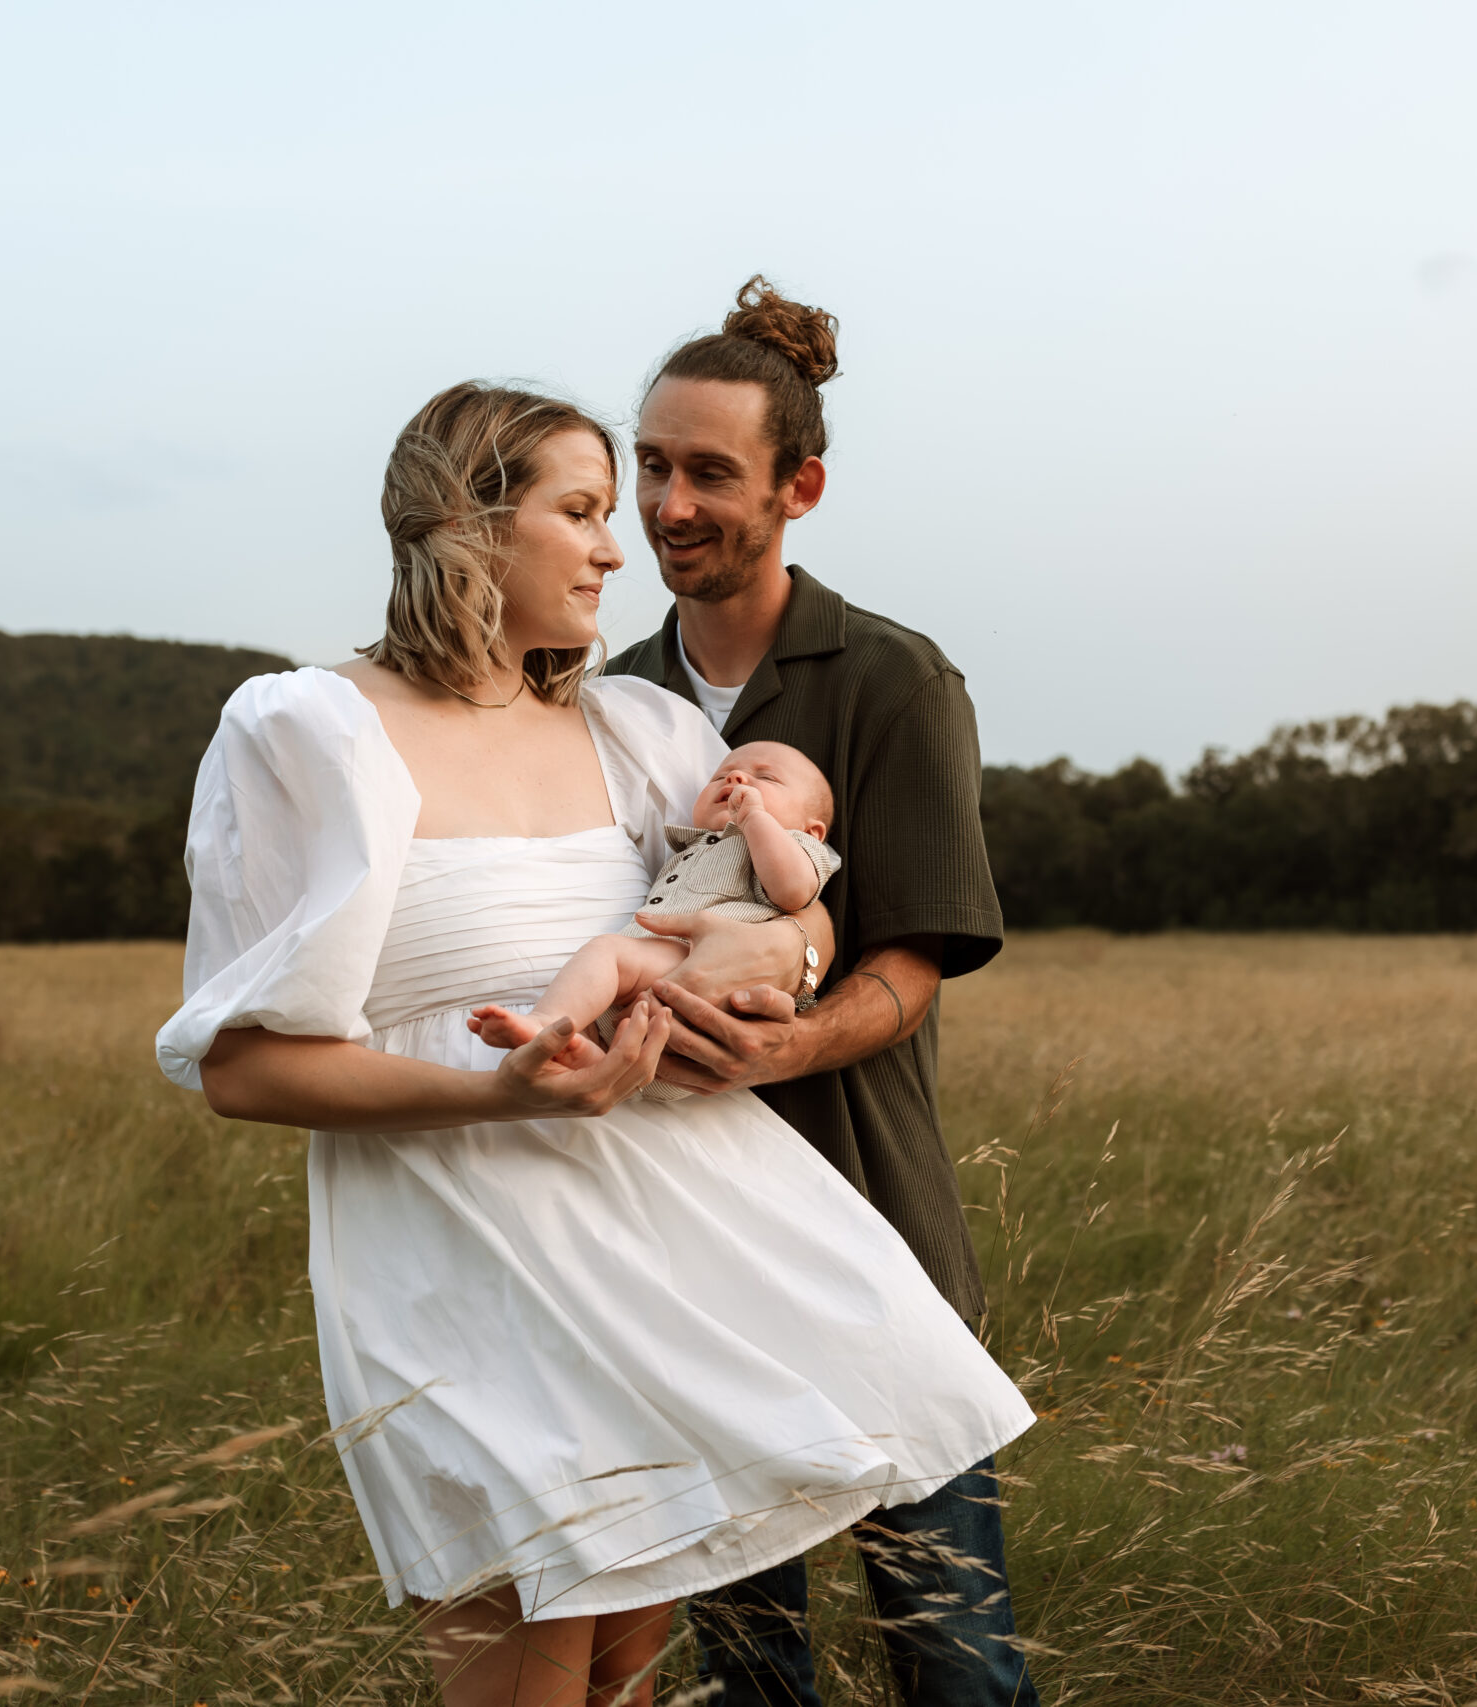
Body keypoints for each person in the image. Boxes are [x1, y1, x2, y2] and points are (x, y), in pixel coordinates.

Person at [154, 381, 1032, 1707]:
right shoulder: (309, 733)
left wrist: (775, 964)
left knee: (628, 1679)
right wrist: (492, 1086)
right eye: (582, 510)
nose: (620, 547)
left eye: (612, 513)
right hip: (470, 1270)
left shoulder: (635, 731)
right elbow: (242, 1065)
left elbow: (773, 904)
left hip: (669, 1256)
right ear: (469, 525)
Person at [605, 278, 1040, 1707]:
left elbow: (910, 968)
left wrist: (781, 1042)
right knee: (746, 1671)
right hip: (687, 1252)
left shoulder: (896, 681)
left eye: (709, 473)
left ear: (801, 486)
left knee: (954, 1657)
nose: (668, 504)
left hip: (873, 1237)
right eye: (651, 465)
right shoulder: (601, 700)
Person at [468, 739, 840, 1076]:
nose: (738, 777)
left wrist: (756, 818)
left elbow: (793, 891)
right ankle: (594, 1057)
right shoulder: (689, 851)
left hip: (708, 969)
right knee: (601, 1005)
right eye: (722, 775)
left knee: (607, 952)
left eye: (767, 778)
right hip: (659, 1000)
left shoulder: (795, 846)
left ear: (813, 832)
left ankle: (546, 1022)